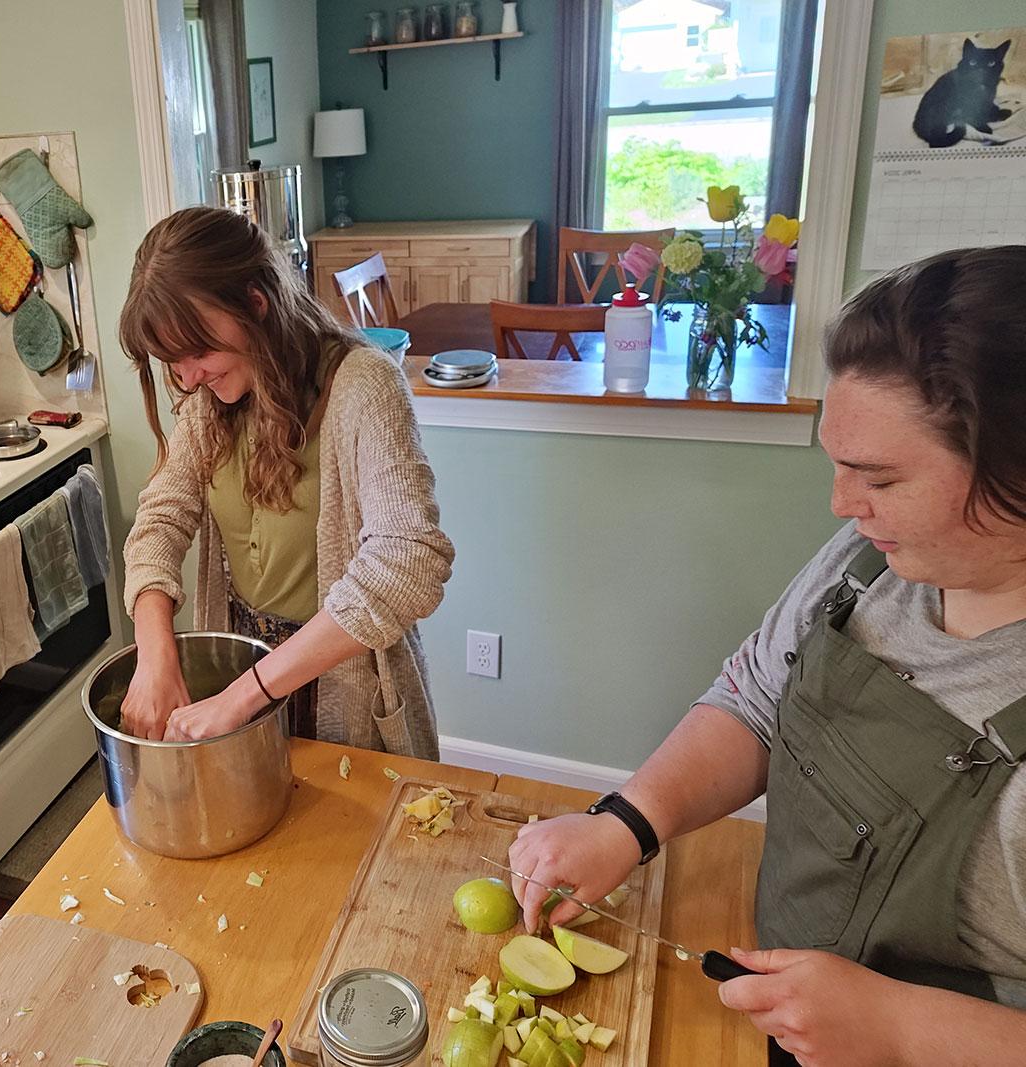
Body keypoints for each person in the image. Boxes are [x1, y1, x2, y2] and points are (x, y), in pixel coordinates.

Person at [508, 246, 1026, 1066]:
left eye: (881, 481)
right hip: (797, 1020)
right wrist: (627, 823)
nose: (842, 506)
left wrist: (898, 1027)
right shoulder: (871, 567)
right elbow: (757, 699)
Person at [117, 206, 454, 755]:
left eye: (199, 352)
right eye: (171, 362)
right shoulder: (208, 401)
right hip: (241, 674)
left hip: (344, 684)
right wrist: (155, 654)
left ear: (256, 303)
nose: (188, 378)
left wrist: (248, 692)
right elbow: (161, 518)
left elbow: (410, 560)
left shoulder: (365, 386)